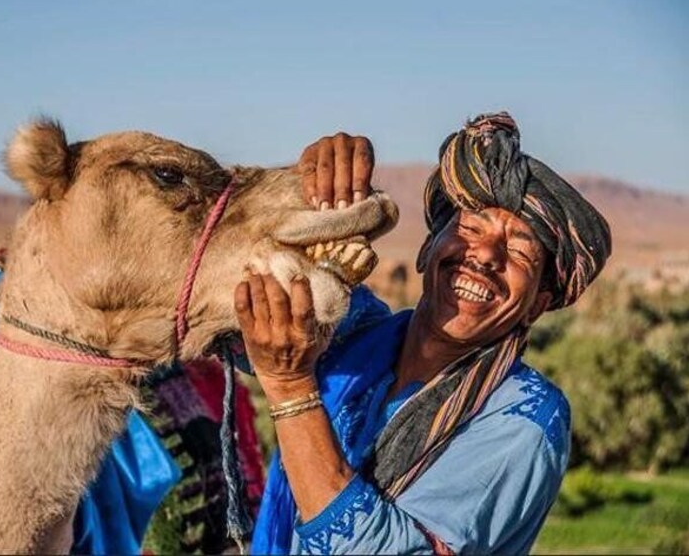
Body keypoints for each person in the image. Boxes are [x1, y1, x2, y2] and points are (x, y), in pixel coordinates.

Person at [236, 112, 612, 554]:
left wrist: (290, 387)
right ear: (427, 248)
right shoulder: (353, 330)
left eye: (519, 253)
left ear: (538, 304)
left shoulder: (526, 418)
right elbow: (233, 297)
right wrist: (302, 190)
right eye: (469, 228)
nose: (485, 255)